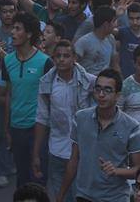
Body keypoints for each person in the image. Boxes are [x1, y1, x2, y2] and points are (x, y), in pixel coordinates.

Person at [55, 68, 140, 202]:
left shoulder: (131, 126)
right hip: (84, 195)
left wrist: (116, 171)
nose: (101, 95)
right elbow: (74, 160)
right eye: (98, 89)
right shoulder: (80, 118)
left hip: (116, 197)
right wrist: (61, 195)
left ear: (118, 95)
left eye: (107, 90)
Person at [0, 12, 53, 189]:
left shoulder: (45, 62)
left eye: (17, 29)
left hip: (38, 128)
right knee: (22, 178)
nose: (12, 32)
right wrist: (7, 128)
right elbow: (9, 94)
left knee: (38, 176)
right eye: (13, 28)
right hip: (16, 127)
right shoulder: (7, 61)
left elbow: (50, 98)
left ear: (29, 34)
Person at [34, 39, 95, 202]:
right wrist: (36, 154)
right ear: (53, 58)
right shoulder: (46, 83)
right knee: (60, 196)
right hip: (57, 149)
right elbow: (41, 118)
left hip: (83, 150)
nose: (61, 59)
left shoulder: (89, 81)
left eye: (66, 56)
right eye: (58, 56)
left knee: (80, 196)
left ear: (74, 58)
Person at [74, 6, 118, 75]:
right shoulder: (84, 42)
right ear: (106, 24)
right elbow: (73, 63)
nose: (116, 25)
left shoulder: (111, 39)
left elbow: (114, 64)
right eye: (114, 21)